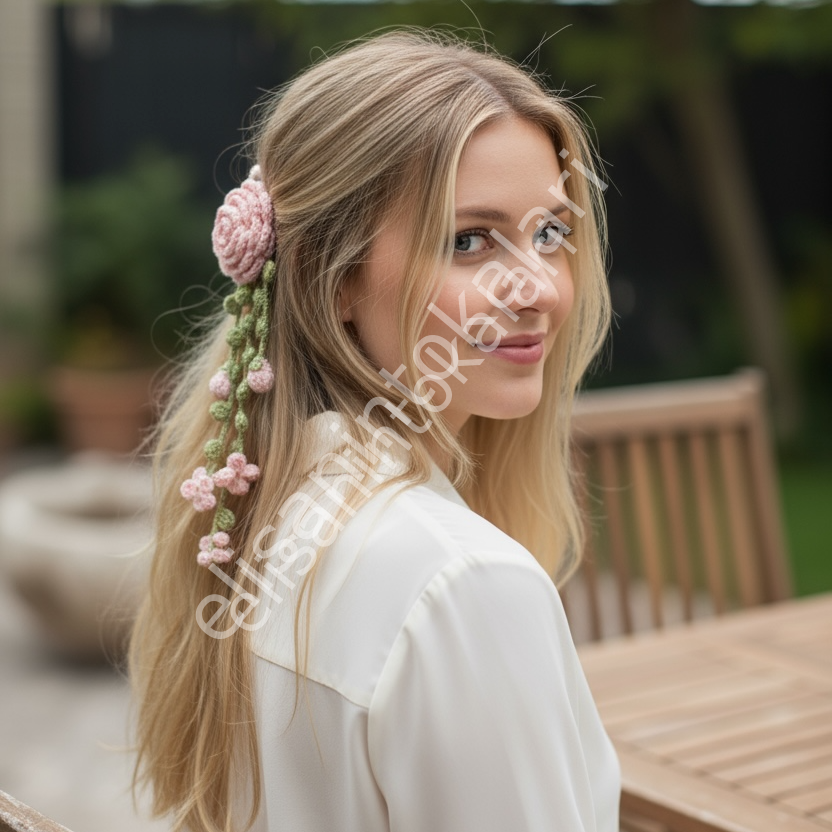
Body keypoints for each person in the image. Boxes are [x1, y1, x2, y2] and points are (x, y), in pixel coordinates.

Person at [127, 26, 620, 832]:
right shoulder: (464, 584)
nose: (536, 286)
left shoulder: (258, 508)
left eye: (551, 232)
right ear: (336, 280)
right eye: (469, 240)